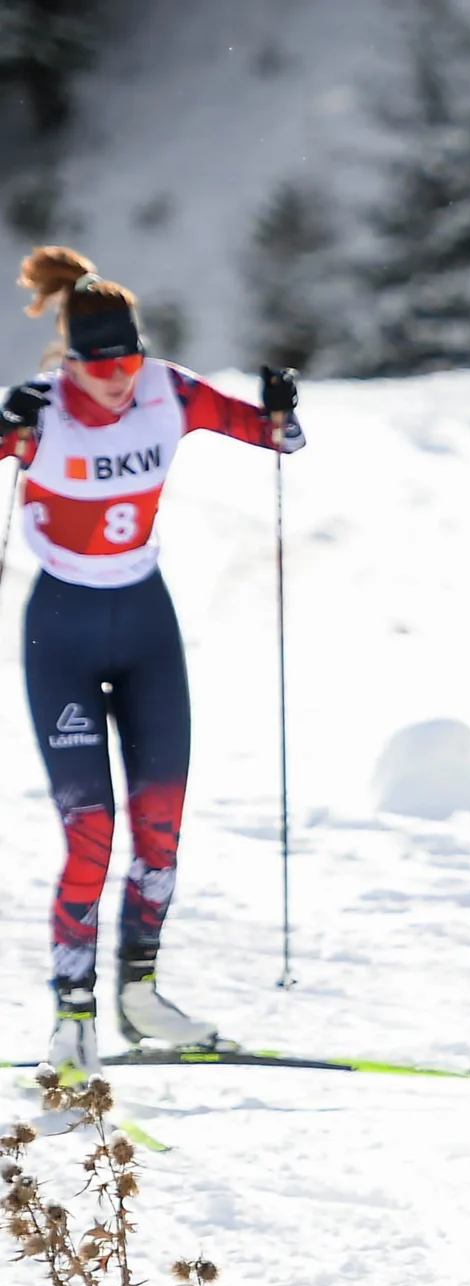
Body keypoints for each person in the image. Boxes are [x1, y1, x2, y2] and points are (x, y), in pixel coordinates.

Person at [1, 247, 304, 1073]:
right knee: (91, 830)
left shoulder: (169, 389)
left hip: (145, 623)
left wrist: (282, 412)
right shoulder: (42, 411)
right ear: (73, 360)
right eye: (101, 366)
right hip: (60, 628)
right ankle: (72, 1013)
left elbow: (275, 439)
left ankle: (139, 994)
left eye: (129, 358)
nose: (119, 378)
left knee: (161, 829)